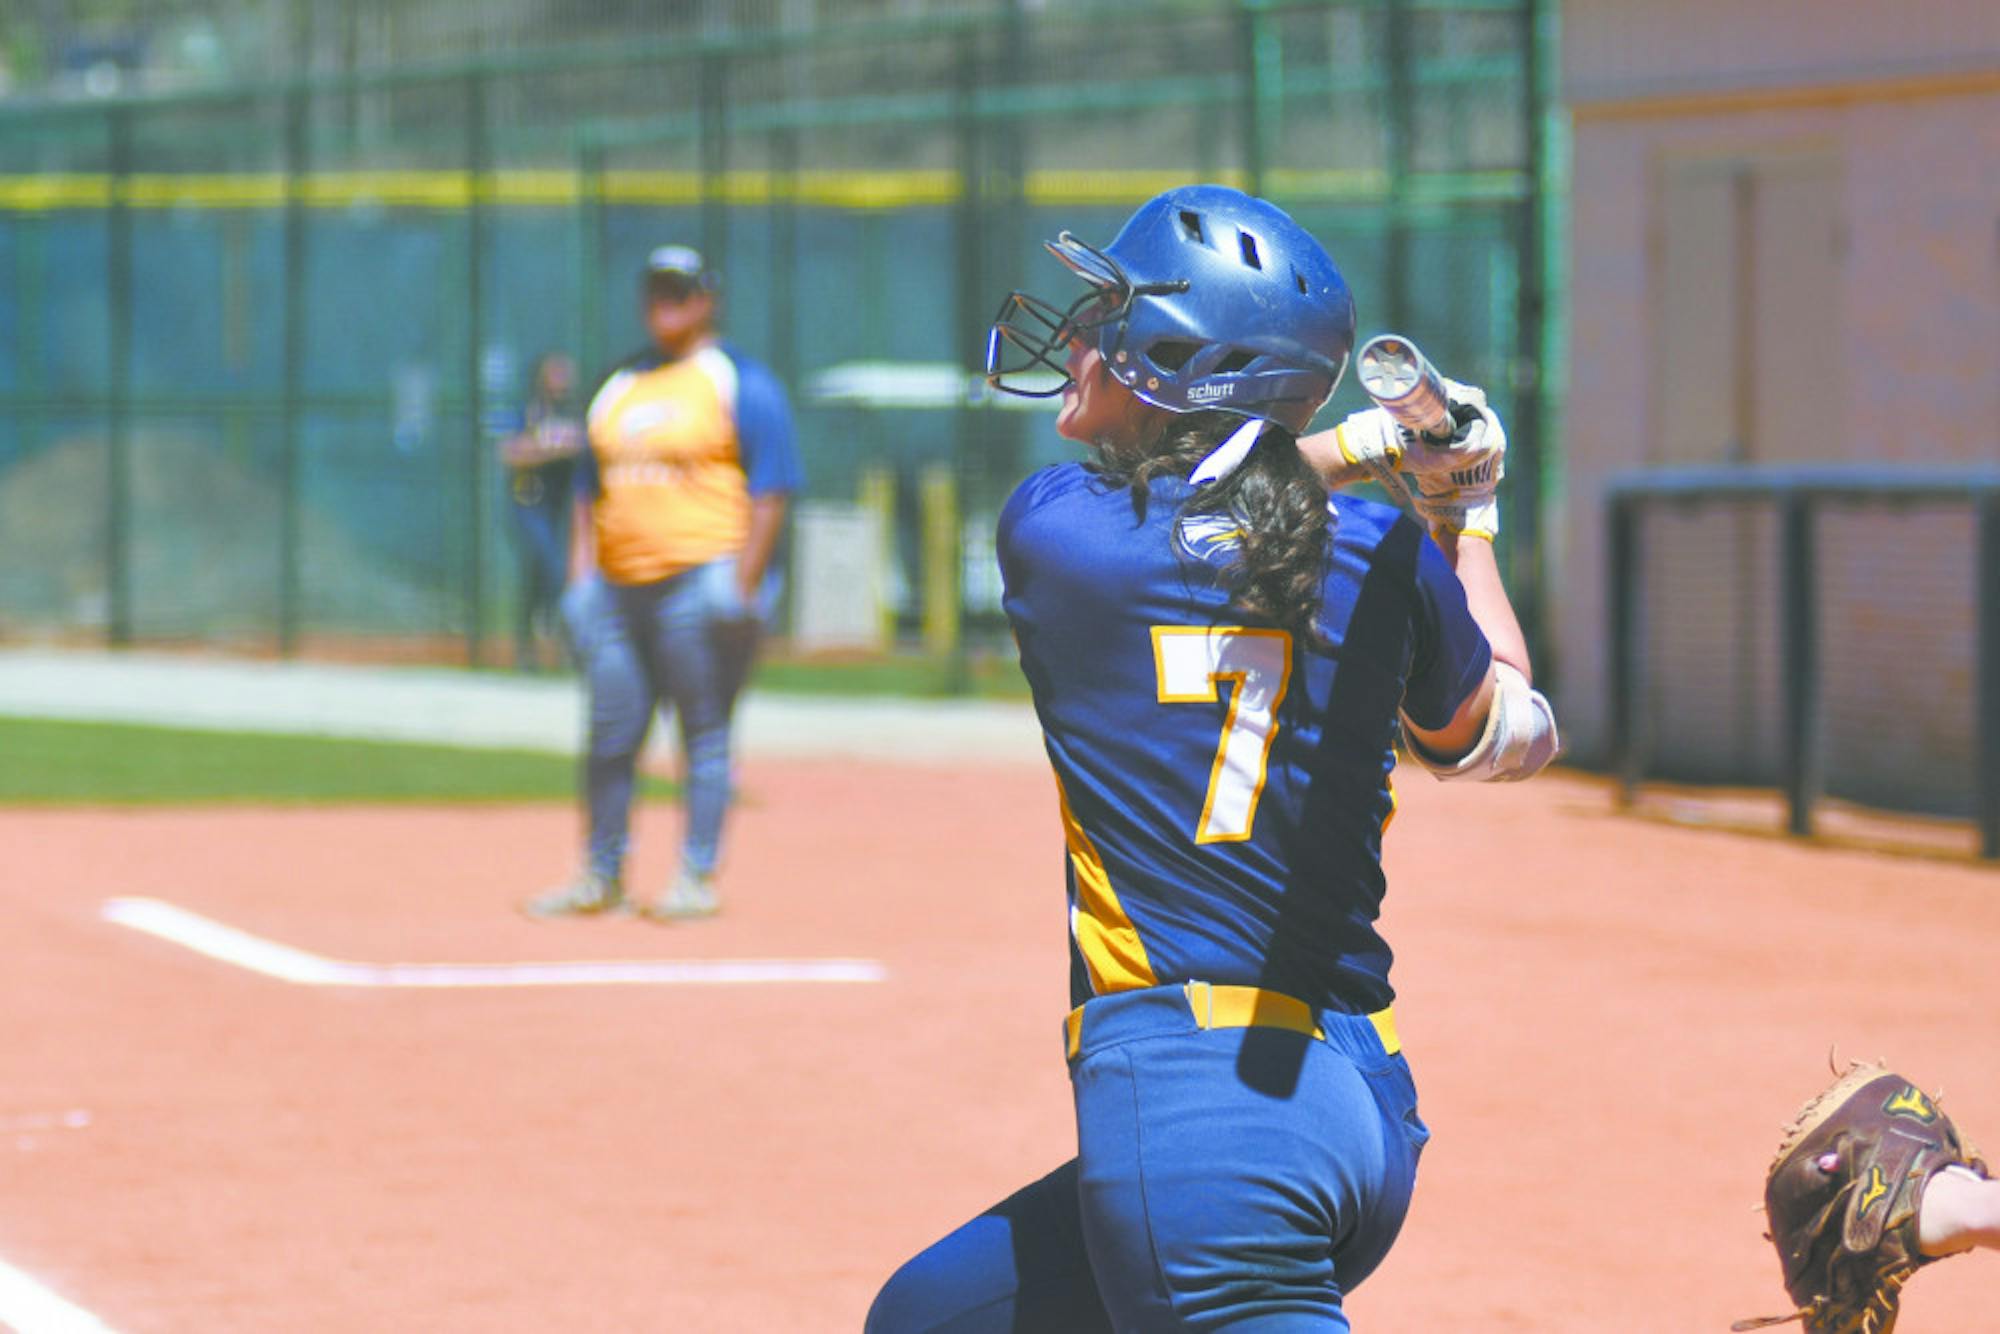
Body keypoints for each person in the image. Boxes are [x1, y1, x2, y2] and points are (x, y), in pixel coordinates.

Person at [866, 184, 1558, 1331]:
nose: (1082, 336)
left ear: (1176, 357)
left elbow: (1216, 509)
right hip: (1350, 1105)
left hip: (1205, 1122)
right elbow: (1504, 730)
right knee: (931, 1315)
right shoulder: (1385, 551)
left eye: (1110, 315)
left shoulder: (1057, 533)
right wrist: (1461, 508)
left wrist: (1376, 451)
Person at [522, 245, 802, 923]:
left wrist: (742, 583)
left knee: (703, 734)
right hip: (618, 588)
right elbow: (587, 494)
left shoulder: (736, 380)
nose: (663, 303)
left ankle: (695, 877)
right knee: (611, 734)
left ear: (707, 299)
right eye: (654, 290)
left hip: (698, 579)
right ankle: (601, 875)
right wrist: (579, 583)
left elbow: (772, 488)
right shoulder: (620, 385)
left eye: (679, 290)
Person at [498, 350, 586, 672]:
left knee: (553, 574)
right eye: (556, 374)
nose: (562, 382)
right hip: (528, 504)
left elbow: (584, 443)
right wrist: (548, 449)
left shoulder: (574, 411)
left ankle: (559, 647)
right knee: (545, 565)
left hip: (560, 506)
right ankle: (531, 645)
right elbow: (510, 452)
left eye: (566, 375)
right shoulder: (527, 411)